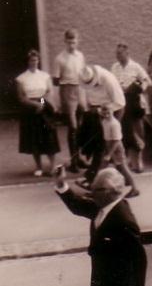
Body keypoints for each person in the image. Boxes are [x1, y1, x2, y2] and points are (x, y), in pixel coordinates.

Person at [78, 64, 126, 187]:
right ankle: (93, 177)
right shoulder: (86, 79)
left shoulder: (108, 80)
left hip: (113, 111)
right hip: (98, 112)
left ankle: (94, 179)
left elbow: (119, 103)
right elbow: (88, 100)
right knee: (98, 145)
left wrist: (100, 111)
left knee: (105, 146)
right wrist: (90, 109)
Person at [16, 49, 59, 176]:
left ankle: (52, 166)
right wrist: (35, 104)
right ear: (28, 61)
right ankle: (38, 167)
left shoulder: (45, 76)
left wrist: (41, 103)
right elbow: (21, 97)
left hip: (44, 107)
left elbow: (48, 91)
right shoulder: (21, 78)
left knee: (49, 137)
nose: (34, 62)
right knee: (34, 138)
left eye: (36, 60)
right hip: (30, 110)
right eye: (31, 60)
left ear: (38, 61)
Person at [111, 43, 151, 173]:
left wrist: (138, 88)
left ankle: (139, 160)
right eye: (117, 54)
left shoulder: (135, 67)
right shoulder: (114, 67)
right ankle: (128, 160)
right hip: (121, 103)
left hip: (134, 103)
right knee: (124, 131)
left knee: (138, 131)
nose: (118, 56)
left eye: (120, 53)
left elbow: (147, 81)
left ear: (127, 54)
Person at [53, 29, 86, 172]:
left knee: (81, 125)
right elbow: (55, 81)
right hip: (67, 90)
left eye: (74, 42)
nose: (72, 45)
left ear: (77, 41)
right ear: (65, 41)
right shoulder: (60, 58)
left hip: (80, 89)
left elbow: (84, 74)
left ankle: (79, 158)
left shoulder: (80, 56)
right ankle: (73, 162)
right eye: (69, 42)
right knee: (73, 127)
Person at [99, 105, 139, 197]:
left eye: (108, 112)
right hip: (108, 145)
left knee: (123, 167)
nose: (106, 114)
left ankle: (135, 189)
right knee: (106, 167)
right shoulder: (104, 121)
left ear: (112, 111)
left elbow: (116, 141)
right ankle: (100, 188)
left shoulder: (114, 124)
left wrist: (109, 154)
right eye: (104, 112)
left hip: (116, 148)